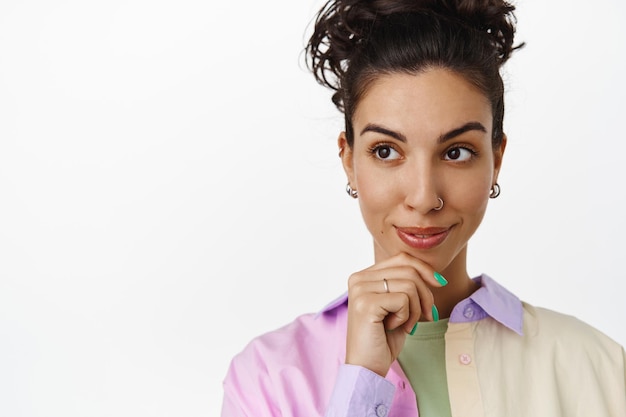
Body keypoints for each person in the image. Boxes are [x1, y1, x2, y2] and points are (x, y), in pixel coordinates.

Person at [221, 0, 626, 416]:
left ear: (496, 159)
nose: (423, 197)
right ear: (349, 161)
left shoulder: (598, 369)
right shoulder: (267, 377)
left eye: (456, 153)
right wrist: (361, 380)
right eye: (385, 150)